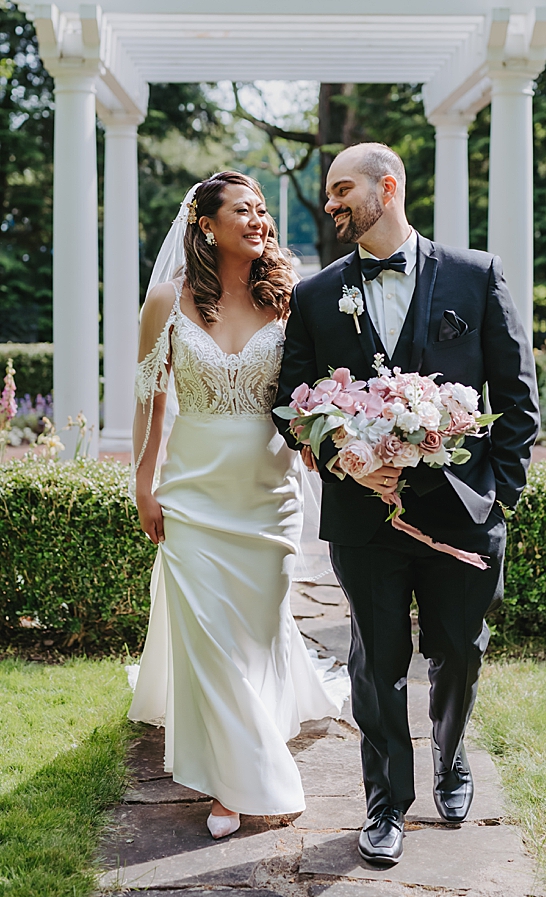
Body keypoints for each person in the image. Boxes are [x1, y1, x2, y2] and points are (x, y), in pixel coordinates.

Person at [273, 143, 539, 866]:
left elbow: (518, 404)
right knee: (376, 661)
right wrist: (347, 462)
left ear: (386, 187)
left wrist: (497, 498)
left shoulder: (477, 276)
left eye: (341, 189)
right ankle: (385, 800)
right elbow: (289, 403)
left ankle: (451, 754)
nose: (330, 205)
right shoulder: (316, 294)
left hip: (462, 514)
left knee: (459, 651)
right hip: (365, 522)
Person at [129, 171, 341, 840]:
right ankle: (240, 784)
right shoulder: (166, 300)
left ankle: (240, 752)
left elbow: (310, 390)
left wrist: (318, 433)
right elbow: (149, 398)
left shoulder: (291, 299)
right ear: (206, 225)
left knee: (253, 634)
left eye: (260, 210)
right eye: (242, 210)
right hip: (192, 493)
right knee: (214, 644)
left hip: (269, 495)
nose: (258, 219)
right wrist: (143, 481)